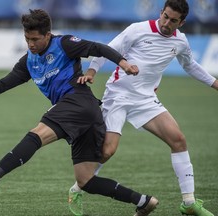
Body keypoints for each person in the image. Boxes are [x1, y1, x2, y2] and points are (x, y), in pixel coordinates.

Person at [0, 9, 159, 216]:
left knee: (36, 134)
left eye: (35, 39)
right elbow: (7, 82)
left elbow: (98, 48)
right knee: (86, 181)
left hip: (77, 101)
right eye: (27, 39)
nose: (31, 44)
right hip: (85, 116)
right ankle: (143, 201)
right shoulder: (29, 60)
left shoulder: (64, 44)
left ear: (47, 35)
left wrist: (124, 64)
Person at [69, 0, 218, 216]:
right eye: (165, 16)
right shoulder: (137, 30)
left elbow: (190, 65)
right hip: (117, 96)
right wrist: (91, 71)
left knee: (178, 140)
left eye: (173, 20)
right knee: (107, 151)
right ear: (161, 12)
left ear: (182, 22)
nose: (167, 23)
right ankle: (77, 188)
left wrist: (214, 83)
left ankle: (188, 202)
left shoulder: (181, 42)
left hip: (146, 100)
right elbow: (107, 50)